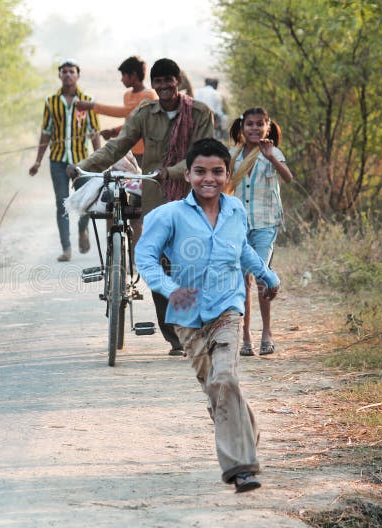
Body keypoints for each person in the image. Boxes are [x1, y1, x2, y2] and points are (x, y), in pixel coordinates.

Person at [134, 137, 280, 493]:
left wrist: (266, 275)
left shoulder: (235, 211)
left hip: (228, 309)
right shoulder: (168, 215)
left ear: (227, 175)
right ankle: (246, 435)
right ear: (188, 174)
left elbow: (242, 249)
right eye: (200, 171)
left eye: (217, 171)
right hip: (187, 318)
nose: (208, 179)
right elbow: (145, 257)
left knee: (224, 379)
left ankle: (240, 468)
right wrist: (169, 289)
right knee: (216, 390)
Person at [67, 58, 214, 357]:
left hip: (192, 197)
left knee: (191, 263)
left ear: (178, 81)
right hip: (156, 198)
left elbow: (203, 155)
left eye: (168, 81)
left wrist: (172, 172)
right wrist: (82, 167)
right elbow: (117, 147)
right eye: (158, 82)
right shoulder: (145, 113)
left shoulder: (199, 113)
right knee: (160, 264)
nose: (163, 88)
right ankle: (174, 337)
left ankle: (199, 325)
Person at [226, 107, 293, 356]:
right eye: (249, 124)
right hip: (238, 226)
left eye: (259, 124)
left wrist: (272, 158)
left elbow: (288, 178)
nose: (254, 128)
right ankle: (245, 337)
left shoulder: (273, 153)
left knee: (262, 277)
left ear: (268, 126)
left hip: (266, 224)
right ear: (242, 128)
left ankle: (267, 332)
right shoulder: (233, 155)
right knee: (243, 281)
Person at [29, 59, 101, 262]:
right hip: (58, 161)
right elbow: (46, 133)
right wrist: (37, 161)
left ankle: (82, 229)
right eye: (64, 72)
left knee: (87, 200)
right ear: (59, 75)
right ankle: (66, 248)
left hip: (82, 162)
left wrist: (100, 161)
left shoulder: (87, 101)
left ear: (78, 75)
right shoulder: (51, 102)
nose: (68, 75)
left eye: (72, 71)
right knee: (61, 204)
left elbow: (95, 133)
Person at [75, 56, 158, 166]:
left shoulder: (149, 95)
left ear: (133, 75)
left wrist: (92, 106)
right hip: (130, 151)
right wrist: (113, 131)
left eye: (123, 75)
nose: (121, 79)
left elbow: (126, 112)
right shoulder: (127, 95)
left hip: (147, 152)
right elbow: (132, 123)